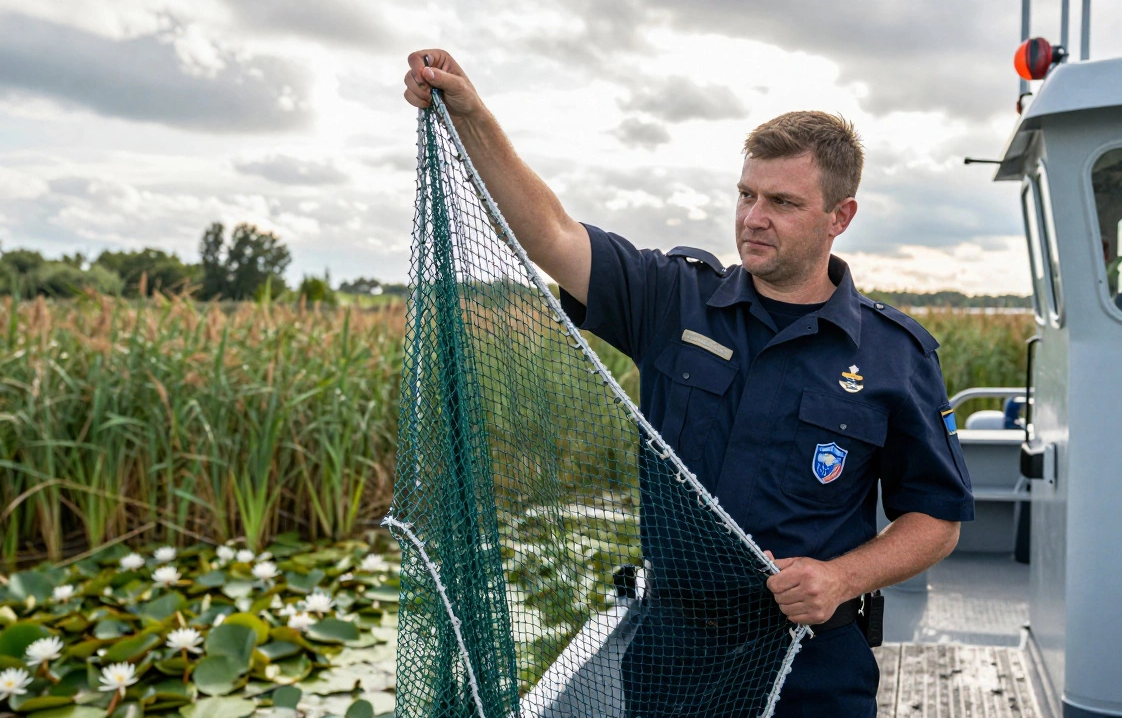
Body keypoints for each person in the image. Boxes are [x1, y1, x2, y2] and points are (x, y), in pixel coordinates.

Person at [403, 49, 974, 717]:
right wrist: (472, 116)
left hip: (810, 665)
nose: (753, 217)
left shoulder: (893, 354)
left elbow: (936, 518)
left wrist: (843, 577)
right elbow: (552, 233)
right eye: (746, 194)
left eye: (783, 203)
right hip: (674, 654)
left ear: (839, 217)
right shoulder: (674, 300)